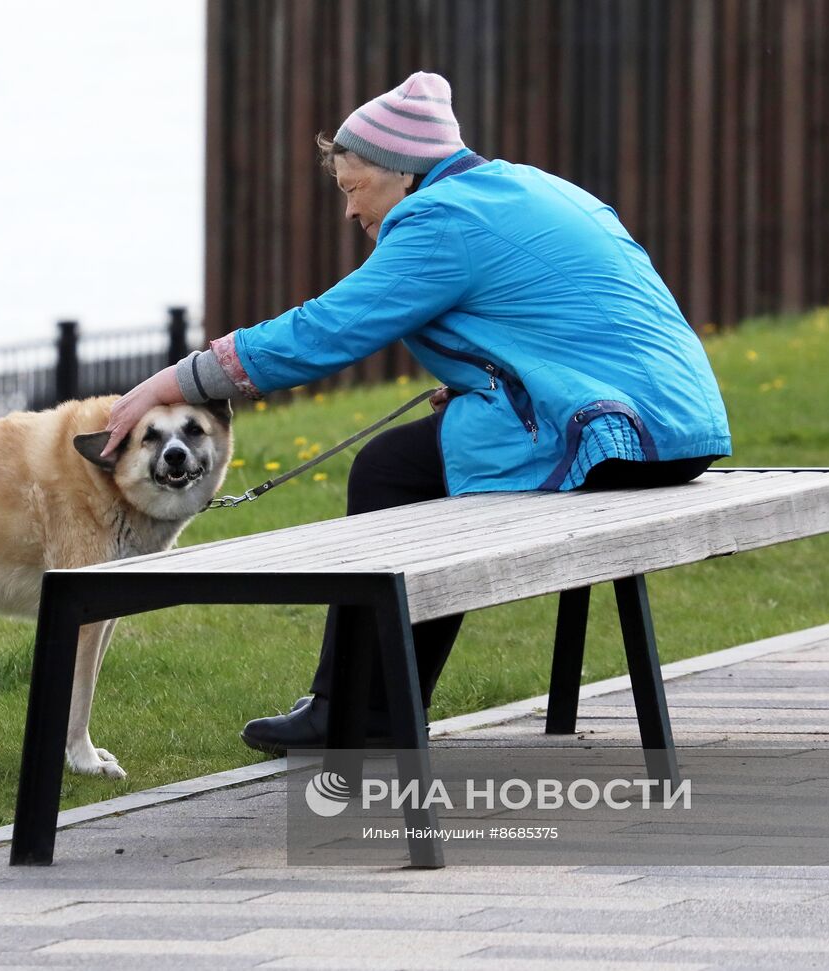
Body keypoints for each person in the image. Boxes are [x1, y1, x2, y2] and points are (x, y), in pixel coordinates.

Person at [99, 71, 731, 755]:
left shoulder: (440, 219)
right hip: (679, 428)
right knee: (414, 464)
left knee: (390, 469)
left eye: (352, 188)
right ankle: (376, 703)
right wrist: (482, 385)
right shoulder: (529, 187)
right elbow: (571, 324)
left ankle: (359, 710)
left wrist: (181, 375)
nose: (349, 212)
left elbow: (326, 330)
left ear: (402, 174)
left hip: (612, 437)